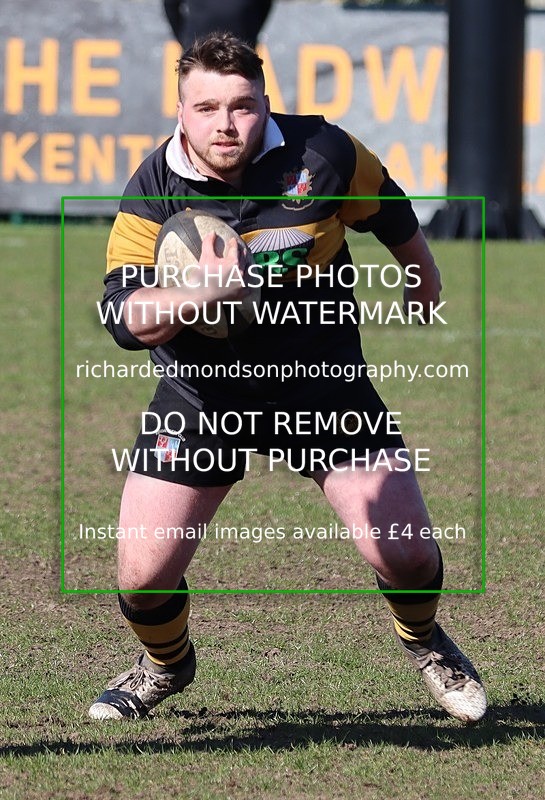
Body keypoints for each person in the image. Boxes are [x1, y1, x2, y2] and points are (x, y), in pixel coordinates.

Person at [89, 32, 487, 724]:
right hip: (203, 397)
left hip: (321, 386)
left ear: (263, 101)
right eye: (205, 106)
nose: (224, 123)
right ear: (180, 110)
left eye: (240, 106)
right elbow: (123, 316)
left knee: (407, 554)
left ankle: (426, 644)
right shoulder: (151, 188)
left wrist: (420, 269)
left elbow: (385, 204)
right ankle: (163, 664)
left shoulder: (322, 153)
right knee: (142, 577)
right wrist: (197, 294)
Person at [163, 0, 273, 49]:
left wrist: (251, 34)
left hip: (241, 45)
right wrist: (184, 38)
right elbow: (170, 5)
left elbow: (264, 5)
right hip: (198, 47)